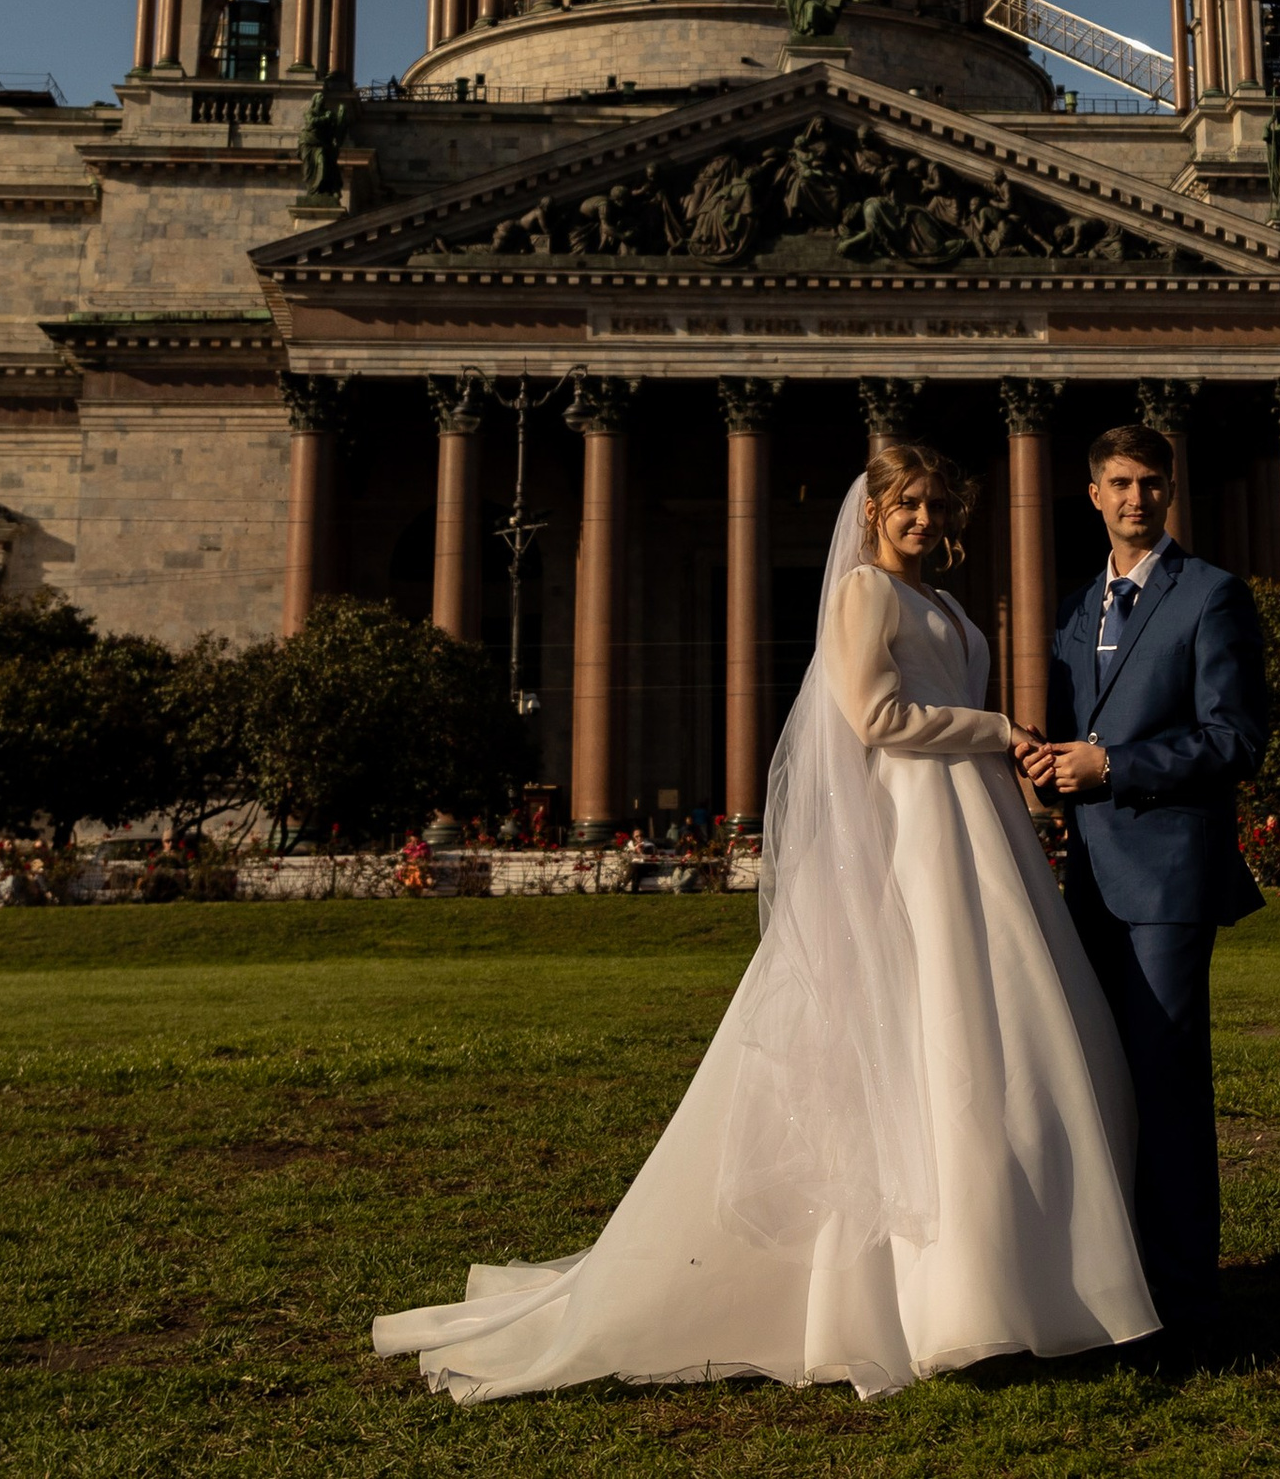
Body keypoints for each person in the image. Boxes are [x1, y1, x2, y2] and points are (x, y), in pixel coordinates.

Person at [372, 443, 1157, 1401]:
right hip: (918, 826)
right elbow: (872, 717)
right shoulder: (864, 595)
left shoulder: (945, 603)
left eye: (937, 507)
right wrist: (996, 729)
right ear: (872, 514)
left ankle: (1007, 1278)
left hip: (967, 825)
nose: (923, 521)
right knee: (936, 1023)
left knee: (985, 1031)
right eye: (906, 505)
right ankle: (947, 1294)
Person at [1026, 424, 1266, 1325]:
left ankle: (1184, 1298)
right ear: (1093, 494)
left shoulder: (1211, 595)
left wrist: (1113, 767)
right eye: (1120, 483)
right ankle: (1117, 1279)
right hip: (1087, 880)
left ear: (1170, 492)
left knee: (1166, 1082)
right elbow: (1067, 738)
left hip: (1167, 884)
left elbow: (1235, 739)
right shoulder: (1078, 608)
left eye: (1152, 483)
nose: (1136, 498)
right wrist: (1041, 770)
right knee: (1103, 1082)